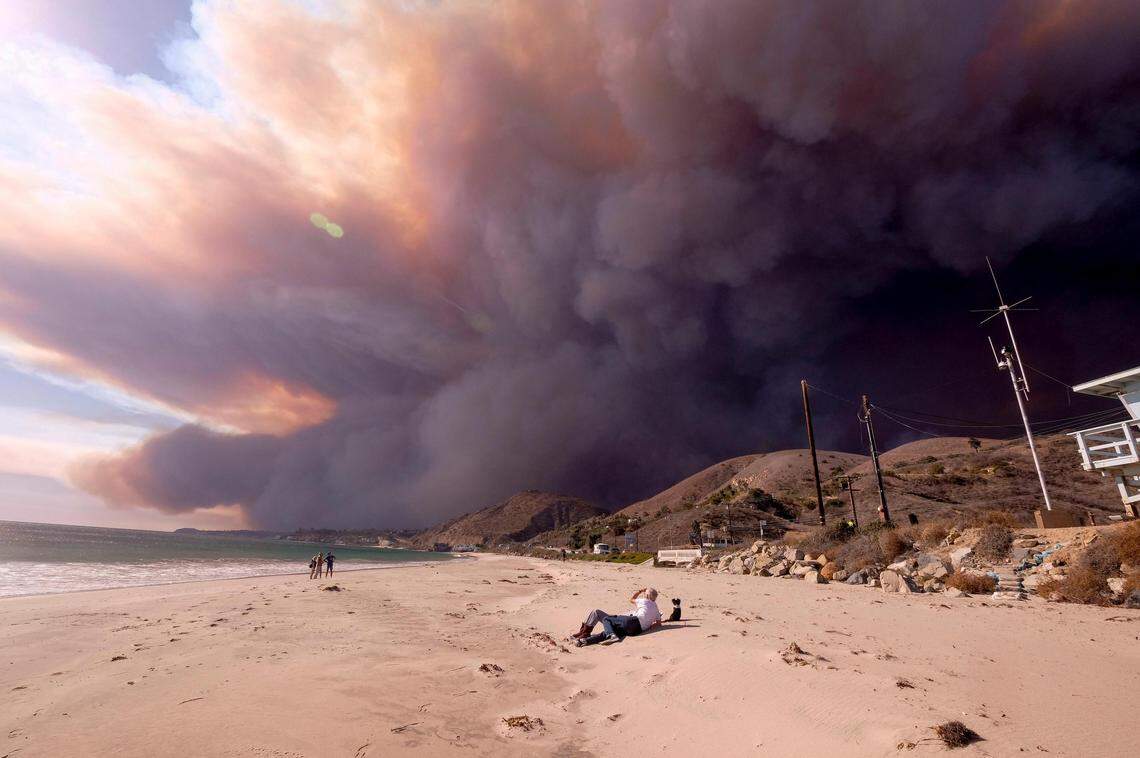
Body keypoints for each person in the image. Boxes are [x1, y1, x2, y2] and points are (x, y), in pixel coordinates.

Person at [572, 587, 662, 646]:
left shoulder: (644, 601)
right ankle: (585, 641)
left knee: (605, 617)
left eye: (644, 593)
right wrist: (648, 625)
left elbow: (631, 599)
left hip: (632, 621)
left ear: (646, 595)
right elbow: (658, 624)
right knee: (610, 630)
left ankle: (585, 633)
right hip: (636, 631)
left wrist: (639, 591)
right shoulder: (656, 608)